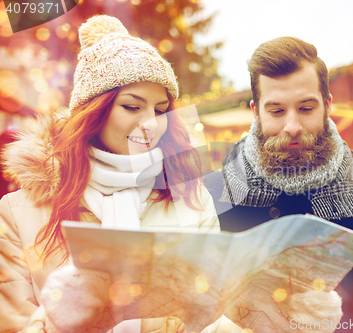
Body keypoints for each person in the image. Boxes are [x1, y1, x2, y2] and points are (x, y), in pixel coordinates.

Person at [0, 15, 220, 333]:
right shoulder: (18, 212)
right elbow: (12, 325)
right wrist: (65, 312)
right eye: (132, 106)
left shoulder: (190, 196)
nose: (150, 123)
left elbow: (211, 312)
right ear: (94, 112)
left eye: (160, 110)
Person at [204, 37, 353, 332]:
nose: (292, 127)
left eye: (306, 108)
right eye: (276, 111)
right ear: (255, 112)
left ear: (327, 106)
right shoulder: (215, 193)